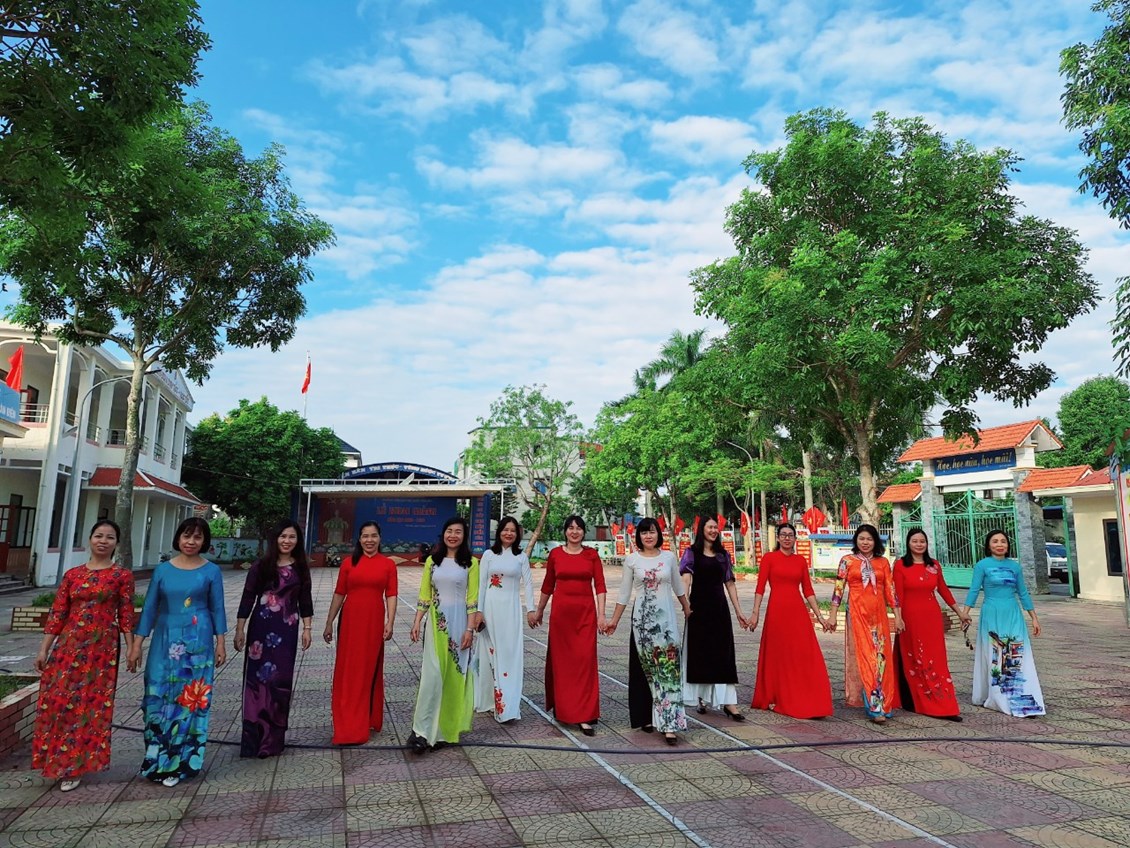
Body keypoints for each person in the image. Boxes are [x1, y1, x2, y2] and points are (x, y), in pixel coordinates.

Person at [32, 520, 134, 792]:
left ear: (116, 543)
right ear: (90, 539)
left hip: (101, 651)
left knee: (89, 707)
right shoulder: (73, 575)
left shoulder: (121, 576)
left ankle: (74, 767)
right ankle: (55, 760)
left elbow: (125, 614)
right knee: (58, 702)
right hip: (68, 646)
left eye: (110, 537)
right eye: (99, 535)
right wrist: (44, 648)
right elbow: (58, 613)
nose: (103, 541)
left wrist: (132, 647)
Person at [128, 517, 227, 786]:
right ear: (178, 538)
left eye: (197, 537)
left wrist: (220, 642)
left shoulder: (211, 571)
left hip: (198, 642)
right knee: (156, 697)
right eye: (186, 536)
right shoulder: (162, 570)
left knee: (190, 701)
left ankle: (180, 764)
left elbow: (217, 608)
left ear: (204, 541)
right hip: (164, 640)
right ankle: (156, 760)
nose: (191, 542)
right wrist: (136, 644)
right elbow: (149, 608)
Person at [605, 517, 690, 745]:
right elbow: (624, 593)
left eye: (652, 531)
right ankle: (647, 718)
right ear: (639, 536)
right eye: (644, 532)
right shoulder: (632, 560)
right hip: (642, 623)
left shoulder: (668, 557)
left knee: (668, 670)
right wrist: (614, 620)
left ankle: (670, 724)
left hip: (667, 622)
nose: (648, 536)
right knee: (646, 671)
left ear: (658, 534)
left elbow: (678, 586)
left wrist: (687, 608)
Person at [233, 520, 314, 757]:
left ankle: (272, 741)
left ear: (297, 541)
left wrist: (307, 628)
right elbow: (248, 597)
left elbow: (305, 599)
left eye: (291, 537)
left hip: (287, 630)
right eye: (283, 536)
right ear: (275, 539)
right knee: (256, 683)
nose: (287, 541)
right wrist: (240, 629)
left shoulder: (300, 567)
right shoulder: (261, 566)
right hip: (260, 629)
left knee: (280, 682)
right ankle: (253, 740)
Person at [747, 522, 833, 719]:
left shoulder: (800, 561)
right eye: (783, 535)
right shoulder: (769, 558)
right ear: (778, 538)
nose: (787, 538)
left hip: (797, 612)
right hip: (776, 611)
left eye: (790, 535)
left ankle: (806, 696)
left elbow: (808, 590)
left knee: (803, 653)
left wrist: (820, 617)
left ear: (795, 538)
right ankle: (776, 695)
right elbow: (760, 587)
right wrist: (755, 613)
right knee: (779, 654)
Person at [322, 521, 398, 745]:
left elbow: (391, 594)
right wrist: (329, 622)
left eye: (373, 536)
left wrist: (390, 621)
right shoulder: (348, 563)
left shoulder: (388, 565)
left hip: (373, 622)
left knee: (367, 669)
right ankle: (348, 723)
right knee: (348, 670)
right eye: (365, 536)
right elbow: (339, 593)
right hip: (350, 622)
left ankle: (366, 718)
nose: (369, 540)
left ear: (380, 538)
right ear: (359, 538)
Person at [408, 516, 479, 751]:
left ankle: (444, 732)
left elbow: (472, 600)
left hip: (460, 627)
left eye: (458, 532)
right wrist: (417, 621)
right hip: (436, 626)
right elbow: (425, 595)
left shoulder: (471, 563)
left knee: (453, 678)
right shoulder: (432, 561)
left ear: (464, 536)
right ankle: (420, 731)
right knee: (432, 677)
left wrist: (469, 630)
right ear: (443, 533)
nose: (453, 535)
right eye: (449, 531)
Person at [533, 515, 606, 736]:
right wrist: (539, 610)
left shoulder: (592, 555)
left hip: (585, 617)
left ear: (584, 532)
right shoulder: (555, 554)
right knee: (563, 665)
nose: (575, 532)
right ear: (565, 531)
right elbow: (548, 585)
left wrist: (602, 615)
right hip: (561, 619)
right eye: (570, 528)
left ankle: (584, 715)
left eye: (579, 528)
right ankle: (565, 709)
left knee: (584, 663)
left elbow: (600, 586)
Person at [959, 529, 1045, 717]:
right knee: (996, 654)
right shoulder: (982, 565)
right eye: (995, 541)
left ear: (1008, 545)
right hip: (992, 613)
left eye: (1003, 541)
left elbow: (1023, 593)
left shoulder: (1015, 567)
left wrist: (1034, 618)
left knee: (1016, 652)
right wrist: (965, 614)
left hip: (1013, 612)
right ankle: (998, 697)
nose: (999, 544)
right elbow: (974, 590)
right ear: (988, 545)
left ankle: (1020, 696)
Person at [828, 523, 903, 723]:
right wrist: (833, 615)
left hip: (879, 617)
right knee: (867, 658)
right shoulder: (847, 561)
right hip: (857, 614)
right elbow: (838, 589)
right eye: (861, 538)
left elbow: (891, 590)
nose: (865, 542)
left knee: (881, 658)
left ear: (875, 541)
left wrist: (898, 616)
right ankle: (875, 706)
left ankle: (885, 703)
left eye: (869, 539)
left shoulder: (883, 562)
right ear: (856, 541)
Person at [893, 529, 970, 722]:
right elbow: (897, 595)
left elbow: (943, 590)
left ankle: (944, 703)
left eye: (922, 541)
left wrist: (960, 612)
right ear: (908, 543)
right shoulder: (901, 565)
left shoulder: (934, 565)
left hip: (932, 618)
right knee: (915, 658)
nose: (919, 544)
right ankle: (916, 701)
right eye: (915, 541)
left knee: (937, 659)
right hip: (910, 618)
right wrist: (898, 618)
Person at [680, 516, 747, 721]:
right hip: (698, 610)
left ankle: (729, 703)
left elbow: (730, 584)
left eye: (715, 528)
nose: (713, 531)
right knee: (700, 654)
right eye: (709, 527)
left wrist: (738, 611)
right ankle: (700, 697)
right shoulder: (691, 553)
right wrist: (685, 605)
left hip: (719, 610)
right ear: (702, 529)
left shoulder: (722, 555)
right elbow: (685, 580)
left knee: (723, 654)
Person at [475, 516, 536, 723]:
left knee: (510, 654)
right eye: (505, 529)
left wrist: (531, 609)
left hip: (511, 611)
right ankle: (488, 700)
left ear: (517, 534)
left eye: (513, 530)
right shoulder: (489, 555)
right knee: (489, 653)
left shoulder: (521, 557)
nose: (509, 533)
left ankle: (507, 705)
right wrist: (479, 611)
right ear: (499, 532)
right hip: (490, 610)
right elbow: (482, 585)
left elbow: (528, 584)